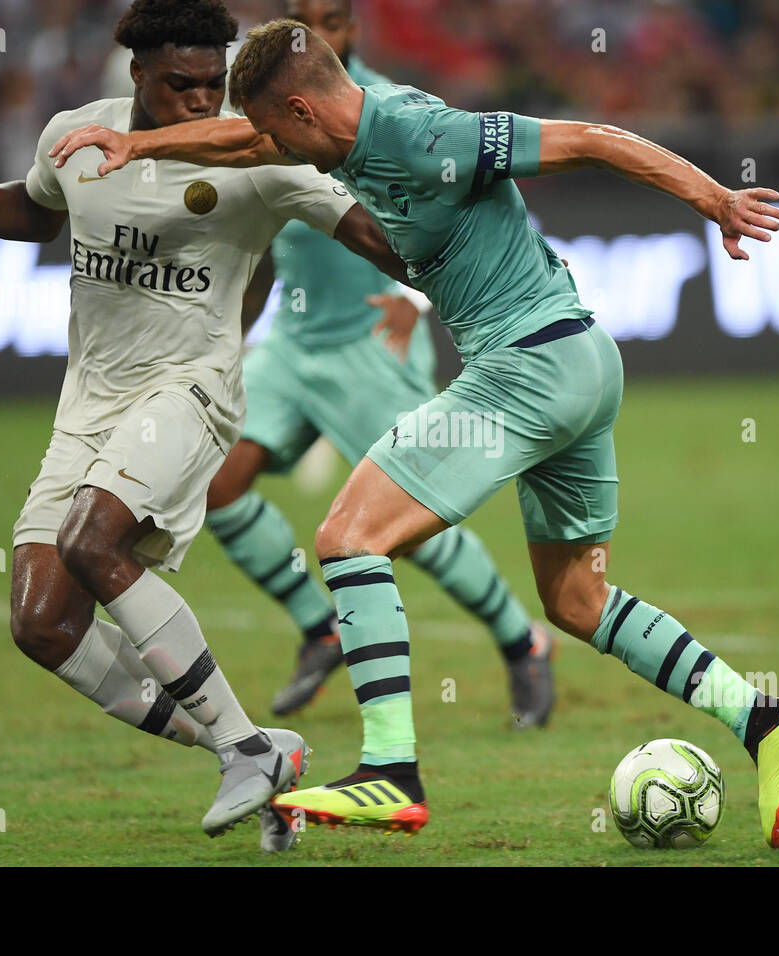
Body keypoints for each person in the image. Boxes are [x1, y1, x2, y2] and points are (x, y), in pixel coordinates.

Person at [49, 19, 779, 849]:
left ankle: (391, 770)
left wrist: (716, 201)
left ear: (304, 110)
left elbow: (591, 139)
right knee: (576, 600)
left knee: (348, 538)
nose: (266, 148)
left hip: (529, 364)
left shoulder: (426, 135)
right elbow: (241, 142)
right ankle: (766, 720)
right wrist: (140, 147)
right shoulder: (332, 132)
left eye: (277, 131)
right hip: (579, 362)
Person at [0, 0, 407, 851]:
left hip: (191, 391)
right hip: (89, 405)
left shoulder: (256, 150)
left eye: (212, 83)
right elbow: (38, 209)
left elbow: (369, 234)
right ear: (136, 75)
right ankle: (258, 751)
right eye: (180, 85)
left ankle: (242, 748)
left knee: (95, 543)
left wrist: (458, 266)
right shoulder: (79, 135)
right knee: (41, 622)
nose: (202, 101)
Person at [204, 0, 554, 725]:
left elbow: (482, 219)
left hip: (371, 343)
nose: (313, 31)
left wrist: (418, 303)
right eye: (298, 18)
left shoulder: (388, 113)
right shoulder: (279, 111)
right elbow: (277, 232)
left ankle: (523, 643)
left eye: (325, 19)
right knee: (216, 485)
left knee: (405, 530)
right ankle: (320, 625)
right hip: (293, 345)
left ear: (348, 30)